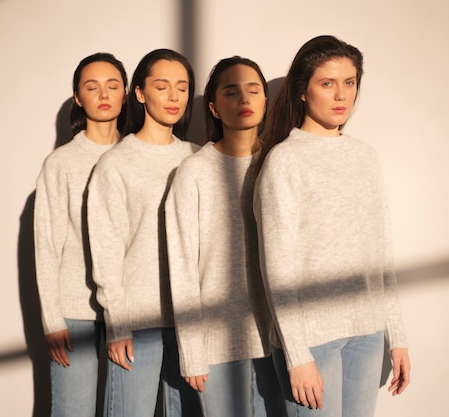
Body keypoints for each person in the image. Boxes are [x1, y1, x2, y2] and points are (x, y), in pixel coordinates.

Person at [253, 35, 411, 417]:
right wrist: (296, 353)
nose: (341, 94)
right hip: (311, 337)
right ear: (303, 92)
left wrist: (398, 337)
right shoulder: (285, 160)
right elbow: (277, 267)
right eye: (327, 83)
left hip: (367, 332)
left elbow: (381, 251)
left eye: (349, 82)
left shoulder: (365, 156)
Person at [165, 56, 286, 417]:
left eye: (253, 91)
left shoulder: (279, 163)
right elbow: (182, 264)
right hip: (217, 341)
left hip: (279, 339)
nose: (245, 100)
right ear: (214, 108)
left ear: (266, 100)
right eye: (231, 93)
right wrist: (192, 350)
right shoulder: (194, 172)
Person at [87, 49, 201, 417]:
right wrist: (116, 322)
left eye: (182, 88)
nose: (173, 97)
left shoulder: (198, 158)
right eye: (162, 86)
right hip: (137, 322)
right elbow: (106, 249)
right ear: (139, 93)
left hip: (193, 321)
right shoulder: (116, 163)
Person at [33, 52, 128, 417]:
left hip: (131, 308)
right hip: (75, 310)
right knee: (72, 411)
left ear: (126, 93)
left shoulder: (137, 153)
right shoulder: (61, 163)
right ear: (78, 97)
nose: (103, 94)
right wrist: (51, 319)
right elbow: (46, 245)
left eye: (112, 85)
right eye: (92, 86)